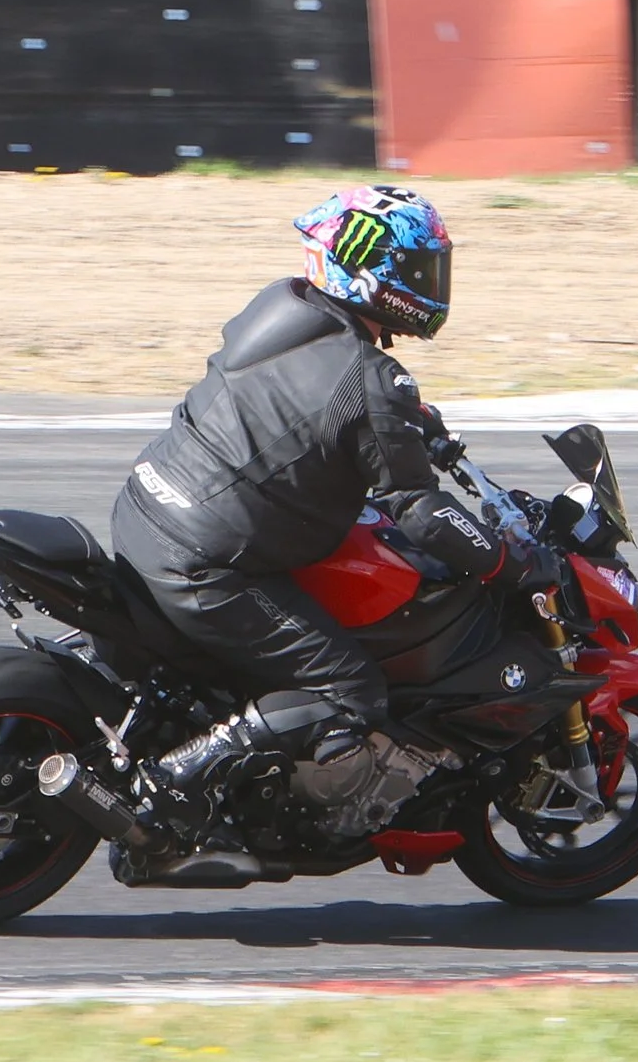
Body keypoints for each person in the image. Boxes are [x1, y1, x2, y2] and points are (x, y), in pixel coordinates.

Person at [111, 184, 558, 830]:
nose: (431, 283)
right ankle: (169, 789)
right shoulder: (373, 379)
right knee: (349, 689)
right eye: (416, 270)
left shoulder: (280, 307)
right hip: (208, 565)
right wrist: (508, 561)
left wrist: (403, 424)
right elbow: (421, 512)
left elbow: (301, 406)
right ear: (371, 274)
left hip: (144, 512)